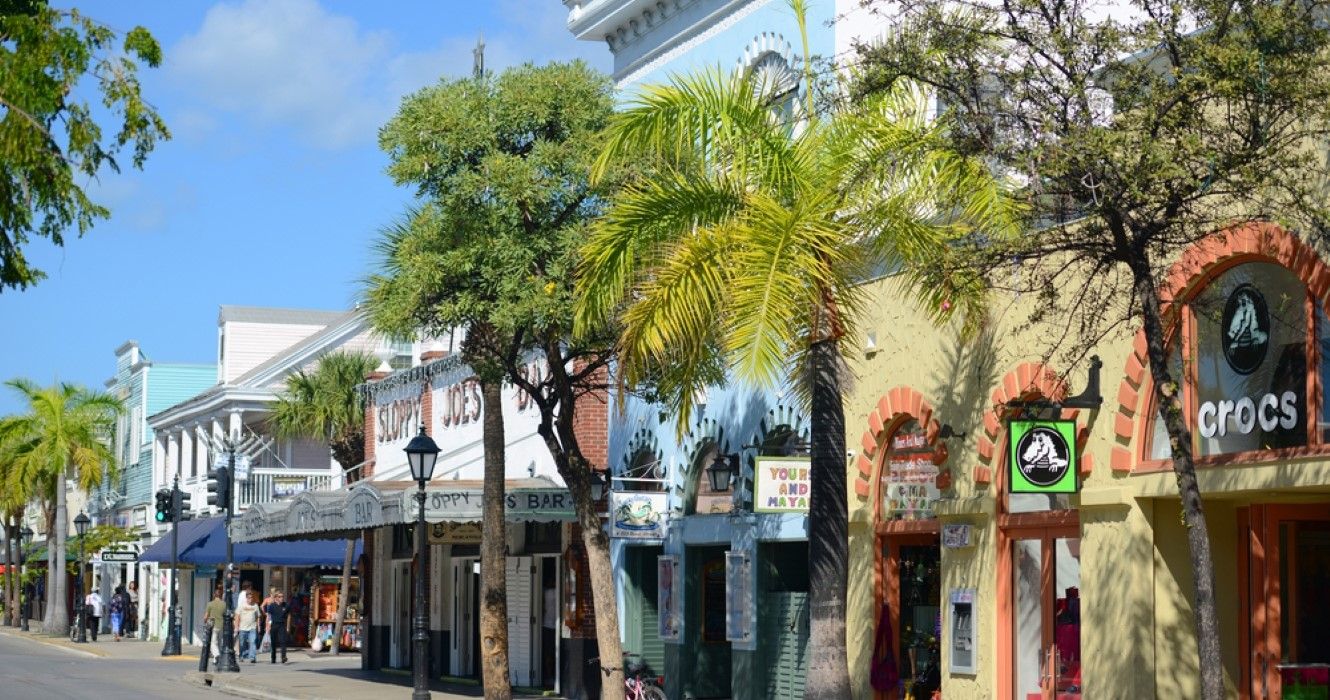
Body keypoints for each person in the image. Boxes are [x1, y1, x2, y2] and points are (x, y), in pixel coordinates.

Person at [263, 591, 290, 664]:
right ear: (276, 598)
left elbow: (289, 616)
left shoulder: (286, 605)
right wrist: (268, 626)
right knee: (273, 642)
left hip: (282, 625)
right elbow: (269, 616)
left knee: (283, 641)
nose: (281, 598)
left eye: (282, 596)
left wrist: (288, 626)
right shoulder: (272, 606)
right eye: (279, 597)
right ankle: (273, 658)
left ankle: (283, 657)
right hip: (274, 625)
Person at [235, 590, 260, 663]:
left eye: (251, 597)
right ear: (246, 598)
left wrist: (258, 626)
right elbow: (237, 616)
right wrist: (236, 627)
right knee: (242, 643)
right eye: (249, 598)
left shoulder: (255, 605)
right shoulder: (241, 605)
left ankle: (252, 657)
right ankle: (241, 656)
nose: (250, 599)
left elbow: (258, 616)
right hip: (243, 628)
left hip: (252, 628)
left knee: (252, 642)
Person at [204, 587, 226, 665]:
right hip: (221, 625)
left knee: (213, 643)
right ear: (221, 595)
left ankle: (217, 655)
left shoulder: (210, 604)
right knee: (219, 643)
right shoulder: (224, 604)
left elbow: (205, 616)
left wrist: (205, 622)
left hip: (213, 626)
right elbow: (226, 615)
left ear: (214, 595)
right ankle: (215, 660)